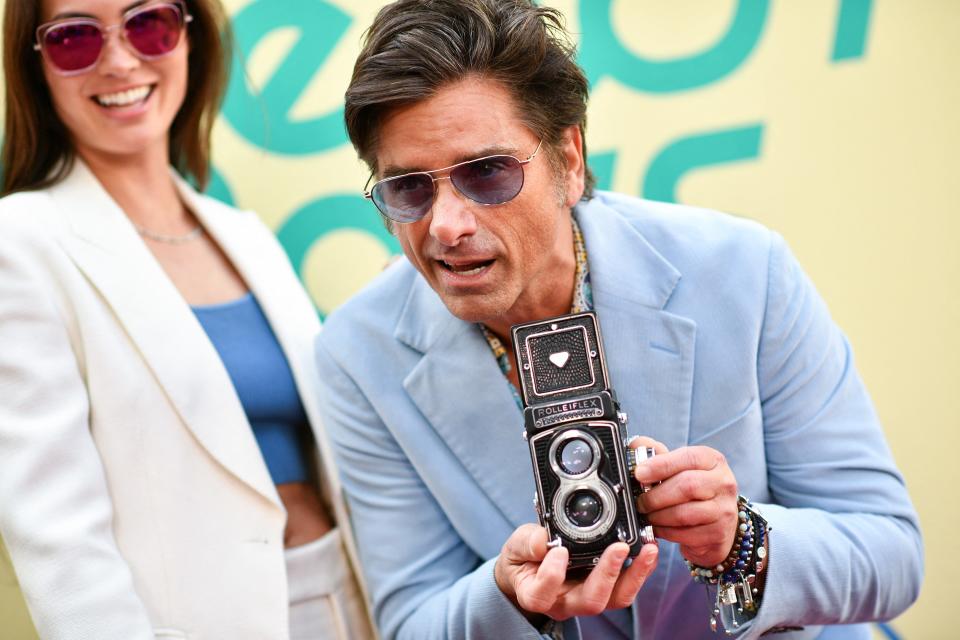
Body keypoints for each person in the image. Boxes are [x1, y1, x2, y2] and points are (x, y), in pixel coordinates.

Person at [315, 0, 924, 638]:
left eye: (487, 173)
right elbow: (412, 623)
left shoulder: (743, 270)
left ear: (569, 161)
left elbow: (891, 552)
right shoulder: (358, 353)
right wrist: (510, 596)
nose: (445, 225)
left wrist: (741, 538)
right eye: (409, 187)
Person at [0, 1, 373, 638]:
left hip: (348, 605)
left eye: (148, 23)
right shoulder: (21, 243)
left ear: (189, 36)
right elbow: (60, 542)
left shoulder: (245, 236)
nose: (119, 60)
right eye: (74, 38)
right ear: (35, 67)